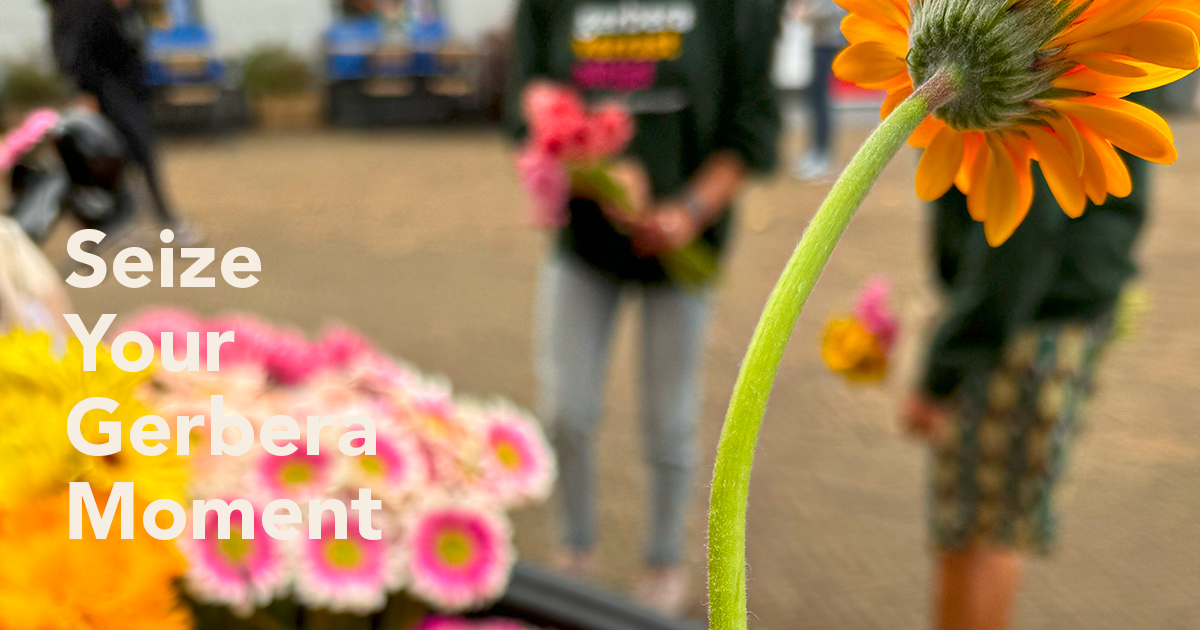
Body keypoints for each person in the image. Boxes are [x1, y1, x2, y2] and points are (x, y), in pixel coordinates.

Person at [507, 0, 782, 615]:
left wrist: (688, 210)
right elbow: (524, 112)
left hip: (681, 246)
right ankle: (574, 552)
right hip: (584, 247)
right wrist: (593, 172)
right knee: (566, 410)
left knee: (669, 421)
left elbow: (753, 127)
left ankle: (663, 559)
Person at [904, 150, 1150, 630]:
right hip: (1051, 314)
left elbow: (1017, 236)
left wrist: (945, 366)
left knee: (979, 536)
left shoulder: (1037, 81)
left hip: (1017, 331)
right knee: (991, 528)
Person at [46, 0, 199, 245]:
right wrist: (83, 91)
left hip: (131, 86)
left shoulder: (132, 9)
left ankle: (120, 224)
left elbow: (135, 40)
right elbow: (74, 48)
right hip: (103, 88)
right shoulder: (85, 9)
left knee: (127, 156)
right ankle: (163, 222)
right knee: (131, 151)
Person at [790, 0, 846, 181]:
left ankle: (823, 156)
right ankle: (815, 152)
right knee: (814, 99)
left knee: (821, 101)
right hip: (818, 42)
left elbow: (834, 10)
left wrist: (806, 13)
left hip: (828, 44)